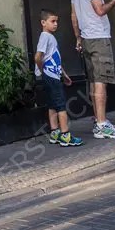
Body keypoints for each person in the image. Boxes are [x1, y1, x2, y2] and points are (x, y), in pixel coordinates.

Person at [71, 0, 115, 139]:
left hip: (86, 38)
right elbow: (100, 10)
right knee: (101, 81)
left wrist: (78, 38)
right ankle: (102, 125)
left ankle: (98, 120)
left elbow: (74, 16)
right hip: (99, 38)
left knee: (94, 80)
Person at [35, 10, 83, 147]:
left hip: (53, 75)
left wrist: (63, 74)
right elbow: (38, 57)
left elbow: (54, 57)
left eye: (56, 21)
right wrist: (43, 69)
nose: (56, 24)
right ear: (43, 22)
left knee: (52, 104)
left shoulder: (49, 37)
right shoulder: (45, 36)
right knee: (61, 105)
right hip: (51, 76)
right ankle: (65, 135)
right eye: (52, 21)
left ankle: (55, 132)